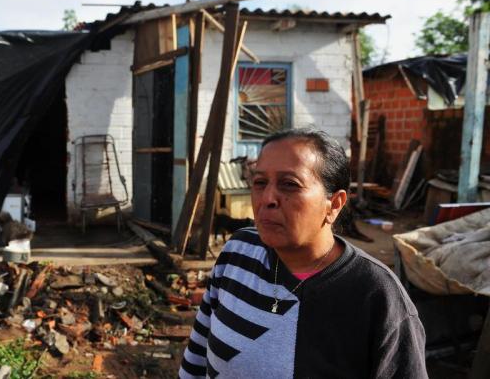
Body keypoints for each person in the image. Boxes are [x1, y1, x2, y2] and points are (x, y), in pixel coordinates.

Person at [179, 128, 427, 379]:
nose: (267, 199)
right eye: (259, 182)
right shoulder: (238, 253)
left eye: (289, 184)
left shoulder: (375, 294)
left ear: (335, 204)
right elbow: (196, 359)